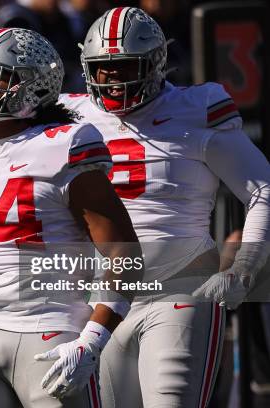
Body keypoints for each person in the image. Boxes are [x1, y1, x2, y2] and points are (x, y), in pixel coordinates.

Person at [0, 28, 143, 407]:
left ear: (30, 86)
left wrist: (92, 340)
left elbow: (125, 256)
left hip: (50, 335)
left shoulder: (66, 143)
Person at [57, 7, 270, 407]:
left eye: (124, 67)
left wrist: (245, 269)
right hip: (98, 296)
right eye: (102, 68)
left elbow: (263, 188)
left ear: (156, 63)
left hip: (179, 286)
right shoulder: (71, 114)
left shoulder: (196, 109)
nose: (111, 79)